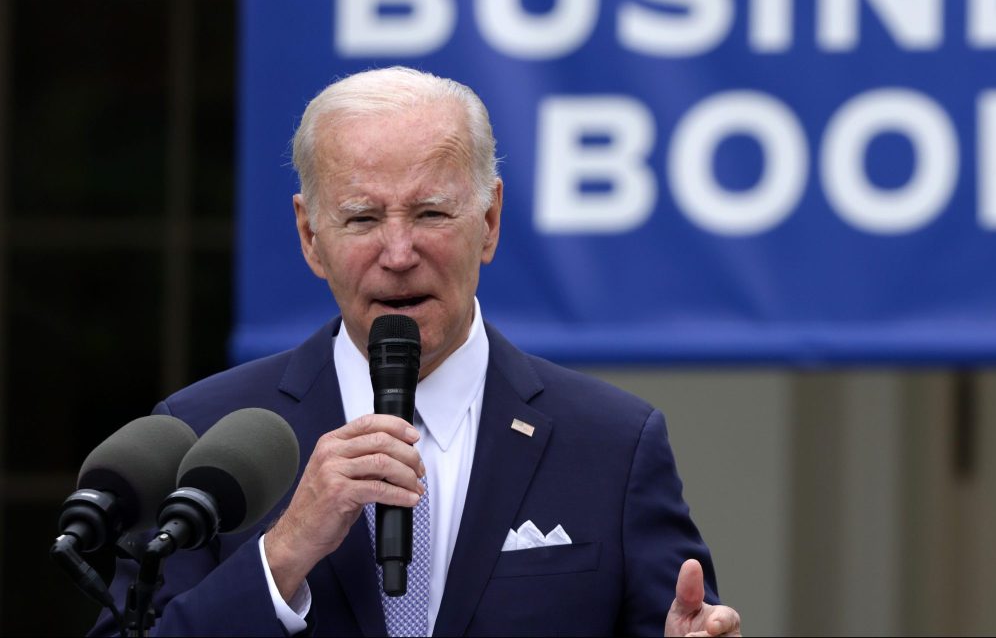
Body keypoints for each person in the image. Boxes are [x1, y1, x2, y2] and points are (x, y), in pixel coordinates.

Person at [96, 67, 742, 637]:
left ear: (488, 222)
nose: (399, 254)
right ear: (309, 236)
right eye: (362, 219)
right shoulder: (204, 437)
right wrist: (285, 551)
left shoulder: (611, 441)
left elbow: (677, 621)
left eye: (431, 214)